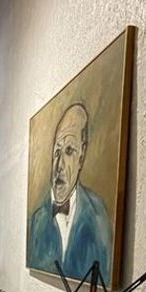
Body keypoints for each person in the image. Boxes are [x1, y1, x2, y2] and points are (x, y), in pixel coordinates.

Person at [27, 103, 111, 277]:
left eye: (69, 151)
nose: (59, 165)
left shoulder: (99, 215)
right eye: (57, 152)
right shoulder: (36, 220)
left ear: (81, 156)